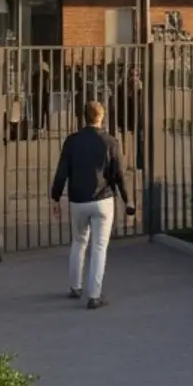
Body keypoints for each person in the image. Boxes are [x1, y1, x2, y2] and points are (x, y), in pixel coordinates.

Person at [50, 101, 135, 309]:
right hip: (103, 200)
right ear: (101, 116)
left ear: (83, 117)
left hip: (78, 200)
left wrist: (55, 197)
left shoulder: (71, 141)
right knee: (99, 247)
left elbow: (62, 171)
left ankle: (74, 286)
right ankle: (94, 295)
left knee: (79, 242)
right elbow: (118, 175)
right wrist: (127, 201)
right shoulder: (111, 142)